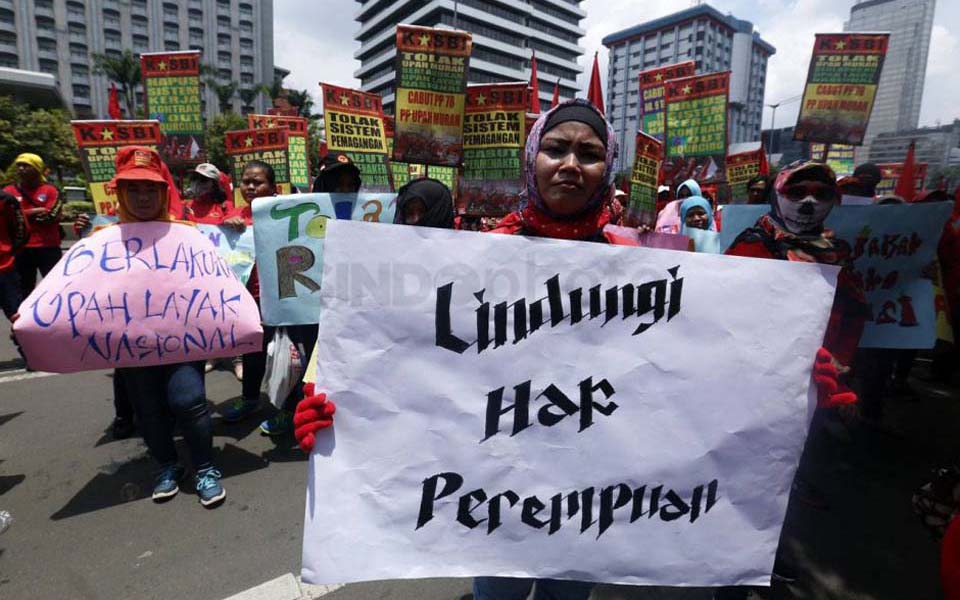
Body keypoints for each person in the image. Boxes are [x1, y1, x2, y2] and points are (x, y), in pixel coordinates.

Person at [106, 146, 225, 507]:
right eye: (134, 189)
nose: (143, 196)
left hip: (182, 337)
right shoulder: (102, 239)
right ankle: (168, 466)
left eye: (151, 189)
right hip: (131, 343)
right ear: (120, 193)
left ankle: (205, 467)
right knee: (148, 410)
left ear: (163, 192)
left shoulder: (187, 234)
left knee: (188, 401)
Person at [223, 160, 320, 438]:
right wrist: (226, 226)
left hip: (284, 297)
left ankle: (289, 410)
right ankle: (250, 399)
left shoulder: (286, 213)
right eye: (246, 181)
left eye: (258, 182)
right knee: (253, 353)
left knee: (291, 357)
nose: (251, 187)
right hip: (248, 300)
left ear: (273, 187)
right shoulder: (233, 216)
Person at [3, 153, 63, 297]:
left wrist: (20, 214)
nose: (21, 169)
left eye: (26, 166)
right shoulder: (8, 191)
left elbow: (50, 216)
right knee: (24, 288)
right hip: (20, 248)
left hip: (48, 247)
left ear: (37, 168)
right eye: (19, 166)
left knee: (56, 286)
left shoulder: (51, 190)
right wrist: (35, 211)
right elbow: (6, 217)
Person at [0, 191, 27, 322]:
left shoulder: (6, 200)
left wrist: (10, 252)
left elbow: (22, 230)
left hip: (4, 267)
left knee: (17, 317)